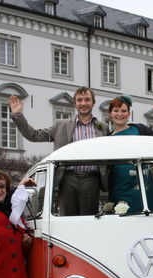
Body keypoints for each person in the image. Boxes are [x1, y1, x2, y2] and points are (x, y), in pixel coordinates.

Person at [9, 87, 108, 215]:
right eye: (79, 100)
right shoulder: (61, 125)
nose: (83, 103)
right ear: (75, 103)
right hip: (67, 179)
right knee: (66, 220)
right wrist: (18, 115)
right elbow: (33, 135)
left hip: (92, 180)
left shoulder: (102, 128)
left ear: (93, 102)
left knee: (89, 219)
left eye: (87, 99)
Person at [106, 95, 153, 213]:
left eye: (124, 111)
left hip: (144, 186)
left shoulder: (139, 130)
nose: (120, 114)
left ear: (129, 114)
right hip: (120, 188)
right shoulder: (106, 140)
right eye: (116, 110)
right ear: (110, 113)